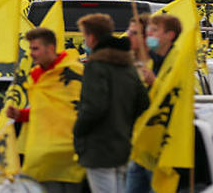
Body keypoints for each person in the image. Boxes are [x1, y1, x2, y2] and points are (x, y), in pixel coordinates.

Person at [73, 14, 149, 193]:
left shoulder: (96, 66)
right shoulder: (127, 65)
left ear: (91, 37)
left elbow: (94, 106)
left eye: (85, 36)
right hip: (124, 143)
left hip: (99, 146)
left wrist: (78, 130)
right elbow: (143, 101)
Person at [6, 27, 85, 192]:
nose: (31, 53)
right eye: (30, 49)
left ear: (50, 48)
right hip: (43, 157)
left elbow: (79, 109)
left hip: (70, 154)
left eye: (35, 48)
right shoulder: (36, 75)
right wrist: (20, 114)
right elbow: (44, 111)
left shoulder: (73, 71)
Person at [127, 14, 183, 193]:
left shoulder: (177, 62)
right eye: (149, 30)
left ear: (170, 35)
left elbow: (176, 96)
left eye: (154, 30)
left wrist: (154, 82)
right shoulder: (149, 61)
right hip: (142, 145)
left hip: (161, 146)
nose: (149, 35)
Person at [127, 13, 154, 84]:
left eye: (134, 33)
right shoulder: (124, 61)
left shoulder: (158, 64)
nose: (129, 36)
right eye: (129, 32)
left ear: (147, 36)